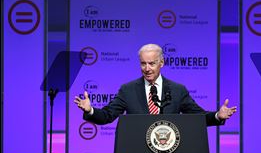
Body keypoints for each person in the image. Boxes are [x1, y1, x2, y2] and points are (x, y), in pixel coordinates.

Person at [74, 43, 237, 126]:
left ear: (162, 63)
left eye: (151, 63)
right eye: (143, 63)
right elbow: (107, 116)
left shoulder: (177, 90)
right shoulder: (128, 90)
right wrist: (90, 110)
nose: (147, 68)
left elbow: (198, 117)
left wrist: (217, 116)